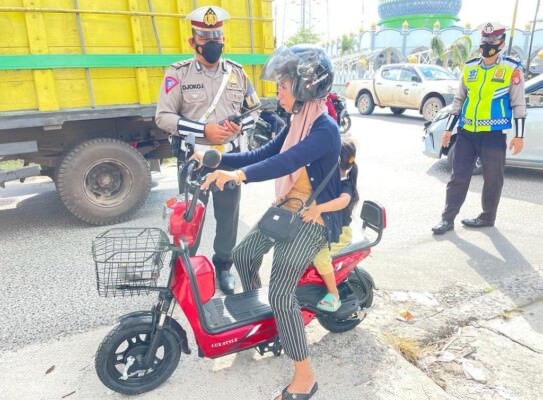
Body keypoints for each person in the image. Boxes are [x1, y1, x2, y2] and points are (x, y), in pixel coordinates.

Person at [201, 44, 340, 400]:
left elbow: (285, 162)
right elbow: (266, 153)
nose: (277, 91)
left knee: (281, 293)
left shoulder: (324, 129)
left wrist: (240, 177)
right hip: (289, 207)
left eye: (283, 84)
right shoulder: (298, 122)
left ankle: (305, 377)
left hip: (315, 217)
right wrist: (220, 163)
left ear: (306, 86)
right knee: (244, 256)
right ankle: (268, 326)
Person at [155, 5, 260, 293]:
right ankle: (186, 268)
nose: (213, 43)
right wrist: (204, 130)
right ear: (193, 42)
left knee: (228, 218)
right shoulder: (178, 73)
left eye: (218, 36)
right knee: (191, 217)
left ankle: (223, 266)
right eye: (206, 37)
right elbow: (163, 117)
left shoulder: (238, 73)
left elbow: (254, 111)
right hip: (195, 160)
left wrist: (241, 126)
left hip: (230, 159)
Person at [432, 22, 527, 235]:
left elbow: (519, 104)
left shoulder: (511, 68)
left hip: (493, 135)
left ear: (501, 43)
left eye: (492, 41)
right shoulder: (470, 67)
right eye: (484, 41)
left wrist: (519, 135)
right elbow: (459, 100)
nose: (487, 45)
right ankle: (447, 219)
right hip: (467, 132)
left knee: (493, 178)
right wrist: (448, 129)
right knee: (459, 176)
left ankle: (487, 217)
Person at [302, 139, 359, 312]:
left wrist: (319, 209)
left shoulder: (345, 183)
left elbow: (343, 201)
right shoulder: (324, 177)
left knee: (319, 256)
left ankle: (333, 294)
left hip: (340, 233)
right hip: (323, 229)